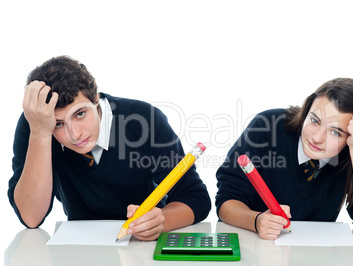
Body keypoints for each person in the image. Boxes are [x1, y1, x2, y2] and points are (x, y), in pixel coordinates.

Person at [8, 56, 211, 241]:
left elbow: (197, 199)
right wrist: (41, 133)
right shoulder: (37, 124)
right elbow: (31, 217)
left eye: (80, 114)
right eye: (58, 124)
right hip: (79, 249)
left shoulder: (144, 120)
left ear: (96, 98)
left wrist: (161, 221)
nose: (74, 134)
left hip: (143, 248)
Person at [215, 78, 353, 240]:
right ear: (306, 110)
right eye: (314, 121)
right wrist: (256, 221)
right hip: (256, 249)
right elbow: (225, 202)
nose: (317, 138)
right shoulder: (267, 126)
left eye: (335, 132)